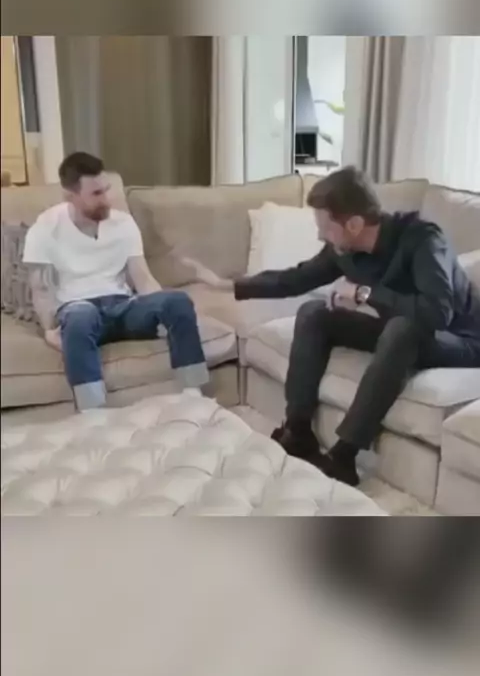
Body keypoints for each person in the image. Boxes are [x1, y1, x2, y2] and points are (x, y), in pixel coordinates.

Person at [184, 166, 480, 486]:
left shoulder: (424, 239)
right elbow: (296, 278)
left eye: (325, 227)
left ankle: (344, 456)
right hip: (402, 331)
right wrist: (226, 285)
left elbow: (436, 314)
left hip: (460, 340)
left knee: (402, 328)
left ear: (354, 224)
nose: (320, 235)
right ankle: (298, 430)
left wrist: (364, 294)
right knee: (314, 313)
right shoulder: (344, 249)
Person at [23, 152, 208, 412]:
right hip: (79, 309)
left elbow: (142, 278)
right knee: (80, 318)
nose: (107, 199)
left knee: (178, 301)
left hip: (124, 308)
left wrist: (162, 309)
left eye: (106, 190)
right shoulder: (45, 228)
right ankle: (92, 412)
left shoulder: (123, 223)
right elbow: (41, 288)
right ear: (70, 196)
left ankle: (193, 394)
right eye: (96, 194)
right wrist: (48, 329)